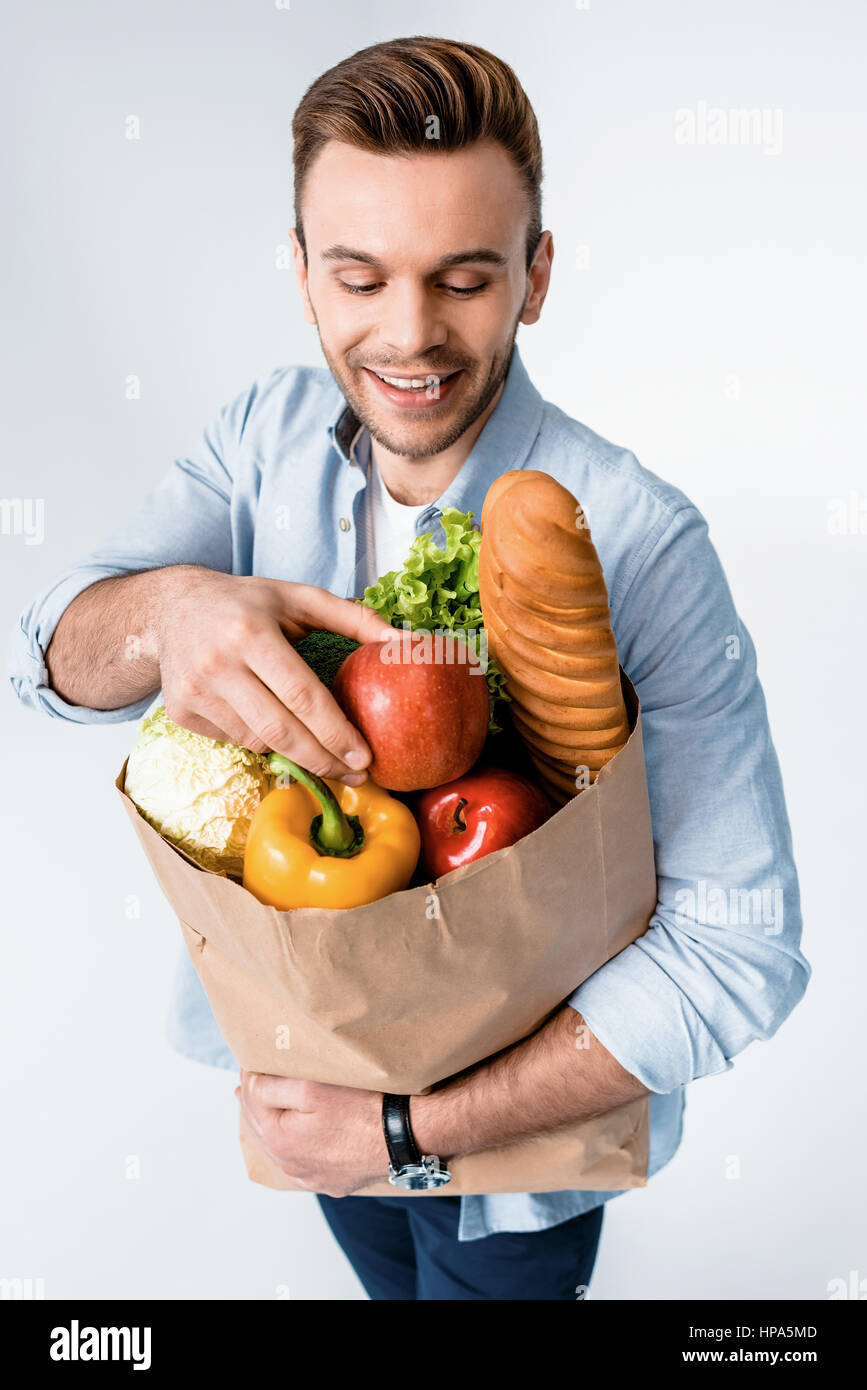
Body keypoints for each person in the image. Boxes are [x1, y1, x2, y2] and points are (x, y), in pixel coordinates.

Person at [7, 36, 809, 1301]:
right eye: (360, 275)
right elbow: (44, 657)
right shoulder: (258, 441)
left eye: (466, 279)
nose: (410, 334)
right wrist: (172, 612)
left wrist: (401, 1134)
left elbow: (743, 950)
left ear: (536, 276)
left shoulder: (635, 541)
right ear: (303, 271)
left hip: (517, 1169)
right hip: (305, 1100)